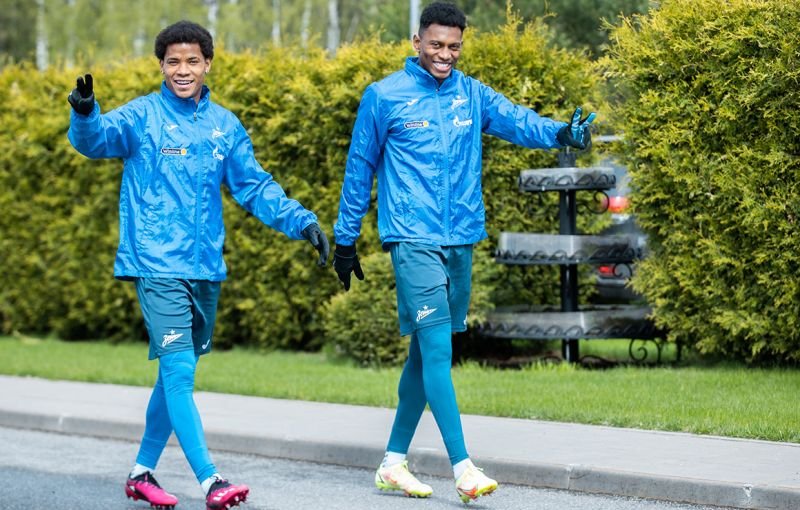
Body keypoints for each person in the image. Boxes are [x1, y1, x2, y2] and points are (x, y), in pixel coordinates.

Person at [332, 1, 594, 504]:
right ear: (417, 42)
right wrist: (346, 239)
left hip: (460, 239)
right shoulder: (384, 96)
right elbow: (359, 168)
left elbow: (519, 121)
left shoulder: (471, 94)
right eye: (436, 44)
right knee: (438, 351)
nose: (445, 54)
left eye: (454, 46)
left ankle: (392, 463)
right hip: (412, 238)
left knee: (422, 354)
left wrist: (561, 133)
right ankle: (463, 467)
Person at [67, 20, 329, 510]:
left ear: (207, 64)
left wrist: (302, 221)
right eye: (173, 62)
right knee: (180, 370)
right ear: (161, 66)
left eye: (192, 61)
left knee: (175, 375)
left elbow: (254, 186)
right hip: (156, 263)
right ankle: (212, 481)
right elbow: (96, 139)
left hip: (205, 267)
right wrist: (85, 114)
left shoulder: (224, 125)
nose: (182, 70)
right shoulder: (142, 116)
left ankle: (140, 472)